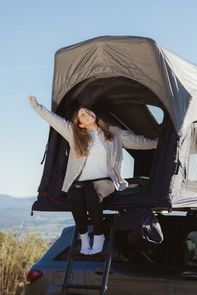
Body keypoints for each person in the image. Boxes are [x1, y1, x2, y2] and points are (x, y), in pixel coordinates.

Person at [28, 96, 158, 255]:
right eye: (82, 115)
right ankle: (84, 237)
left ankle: (98, 235)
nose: (87, 113)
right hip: (81, 182)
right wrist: (36, 106)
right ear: (80, 124)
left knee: (92, 190)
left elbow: (139, 142)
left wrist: (162, 143)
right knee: (74, 193)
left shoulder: (113, 133)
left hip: (107, 181)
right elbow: (54, 120)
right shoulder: (74, 135)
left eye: (87, 111)